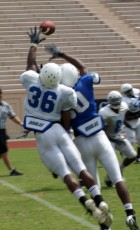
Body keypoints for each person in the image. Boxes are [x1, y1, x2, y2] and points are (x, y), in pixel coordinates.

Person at [19, 26, 113, 230]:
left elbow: (29, 65)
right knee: (80, 168)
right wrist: (67, 131)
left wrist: (33, 45)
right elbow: (65, 116)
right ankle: (99, 199)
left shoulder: (32, 81)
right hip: (59, 131)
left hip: (43, 135)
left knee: (65, 174)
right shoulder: (65, 91)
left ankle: (84, 201)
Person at [45, 43, 140, 230]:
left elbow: (65, 125)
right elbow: (83, 68)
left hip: (81, 141)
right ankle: (129, 214)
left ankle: (105, 225)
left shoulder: (61, 94)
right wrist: (61, 54)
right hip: (100, 137)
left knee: (94, 187)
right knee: (117, 179)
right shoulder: (85, 81)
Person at [99, 90, 137, 186]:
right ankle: (112, 179)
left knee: (132, 155)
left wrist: (123, 127)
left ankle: (119, 170)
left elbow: (124, 116)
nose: (116, 105)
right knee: (112, 161)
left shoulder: (124, 106)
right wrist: (113, 139)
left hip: (118, 136)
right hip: (107, 139)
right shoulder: (104, 112)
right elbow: (101, 130)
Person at [0, 88, 23, 176]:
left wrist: (21, 123)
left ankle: (11, 170)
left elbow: (12, 116)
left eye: (0, 93)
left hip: (2, 131)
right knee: (4, 151)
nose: (0, 95)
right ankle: (11, 170)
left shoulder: (5, 105)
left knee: (1, 152)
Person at [120, 83, 140, 163]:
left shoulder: (136, 92)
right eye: (127, 91)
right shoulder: (123, 101)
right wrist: (128, 124)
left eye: (130, 90)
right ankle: (124, 151)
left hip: (138, 120)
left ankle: (138, 157)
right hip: (129, 122)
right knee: (130, 141)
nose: (129, 92)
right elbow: (124, 117)